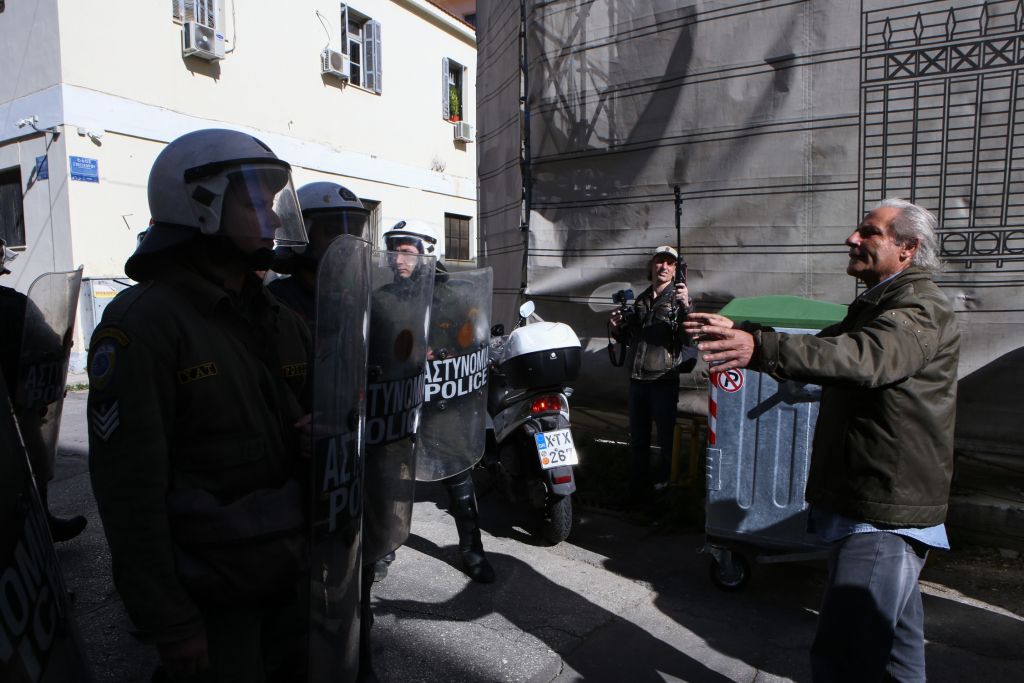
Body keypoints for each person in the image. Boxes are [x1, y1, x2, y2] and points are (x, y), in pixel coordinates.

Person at [689, 198, 960, 682]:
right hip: (875, 500)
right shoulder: (882, 301)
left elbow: (863, 356)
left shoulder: (918, 306)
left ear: (907, 248)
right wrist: (744, 331)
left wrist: (758, 348)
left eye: (869, 232)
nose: (852, 239)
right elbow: (828, 343)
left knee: (845, 656)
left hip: (882, 512)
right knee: (897, 654)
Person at [87, 129, 313, 682]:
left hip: (294, 573)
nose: (273, 217)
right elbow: (129, 493)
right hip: (214, 597)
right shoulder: (144, 325)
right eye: (255, 201)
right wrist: (169, 620)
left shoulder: (281, 320)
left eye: (273, 201)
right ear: (200, 203)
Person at [383, 221, 496, 584]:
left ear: (426, 253)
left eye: (406, 251)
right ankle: (383, 547)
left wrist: (446, 353)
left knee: (458, 477)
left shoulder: (454, 296)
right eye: (393, 250)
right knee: (391, 480)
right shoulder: (383, 297)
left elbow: (475, 340)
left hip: (442, 405)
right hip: (400, 404)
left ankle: (473, 550)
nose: (398, 259)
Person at [0, 238, 88, 542]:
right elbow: (50, 346)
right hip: (17, 408)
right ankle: (41, 523)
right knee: (34, 461)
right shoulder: (13, 304)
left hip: (17, 403)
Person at [608, 245, 696, 501]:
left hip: (663, 380)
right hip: (637, 380)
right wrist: (617, 328)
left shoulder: (679, 300)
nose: (664, 267)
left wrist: (687, 307)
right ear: (652, 265)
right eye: (660, 261)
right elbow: (631, 338)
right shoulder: (642, 299)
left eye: (670, 263)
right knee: (638, 440)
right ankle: (638, 492)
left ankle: (667, 491)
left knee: (667, 440)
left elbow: (689, 338)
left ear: (676, 270)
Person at [267, 181, 370, 325]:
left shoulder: (354, 299)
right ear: (300, 235)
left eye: (353, 234)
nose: (345, 243)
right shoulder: (276, 300)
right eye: (332, 231)